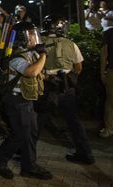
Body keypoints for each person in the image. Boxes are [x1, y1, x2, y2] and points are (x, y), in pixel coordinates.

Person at [0, 21, 52, 180]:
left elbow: (39, 73)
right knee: (19, 134)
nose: (33, 38)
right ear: (22, 38)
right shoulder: (16, 57)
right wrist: (44, 54)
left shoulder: (30, 53)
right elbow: (31, 72)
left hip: (26, 100)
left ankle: (29, 166)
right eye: (30, 35)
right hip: (16, 101)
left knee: (30, 133)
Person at [40, 15, 94, 164]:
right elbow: (79, 67)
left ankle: (23, 152)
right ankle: (86, 154)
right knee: (74, 121)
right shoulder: (71, 43)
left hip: (48, 86)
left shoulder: (41, 43)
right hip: (67, 86)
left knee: (39, 119)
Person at [100, 12, 113, 138]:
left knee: (110, 101)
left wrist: (102, 72)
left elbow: (104, 54)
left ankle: (109, 128)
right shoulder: (109, 33)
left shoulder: (109, 33)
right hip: (111, 70)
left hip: (111, 70)